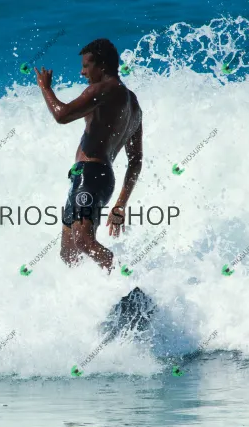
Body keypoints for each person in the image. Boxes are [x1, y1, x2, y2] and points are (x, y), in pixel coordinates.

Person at [34, 38, 143, 274]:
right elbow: (135, 161)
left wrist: (45, 87)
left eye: (86, 66)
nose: (82, 72)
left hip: (91, 176)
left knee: (83, 241)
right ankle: (91, 292)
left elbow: (62, 115)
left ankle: (123, 279)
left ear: (101, 66)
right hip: (93, 177)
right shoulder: (134, 105)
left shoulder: (103, 89)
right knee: (69, 252)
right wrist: (120, 205)